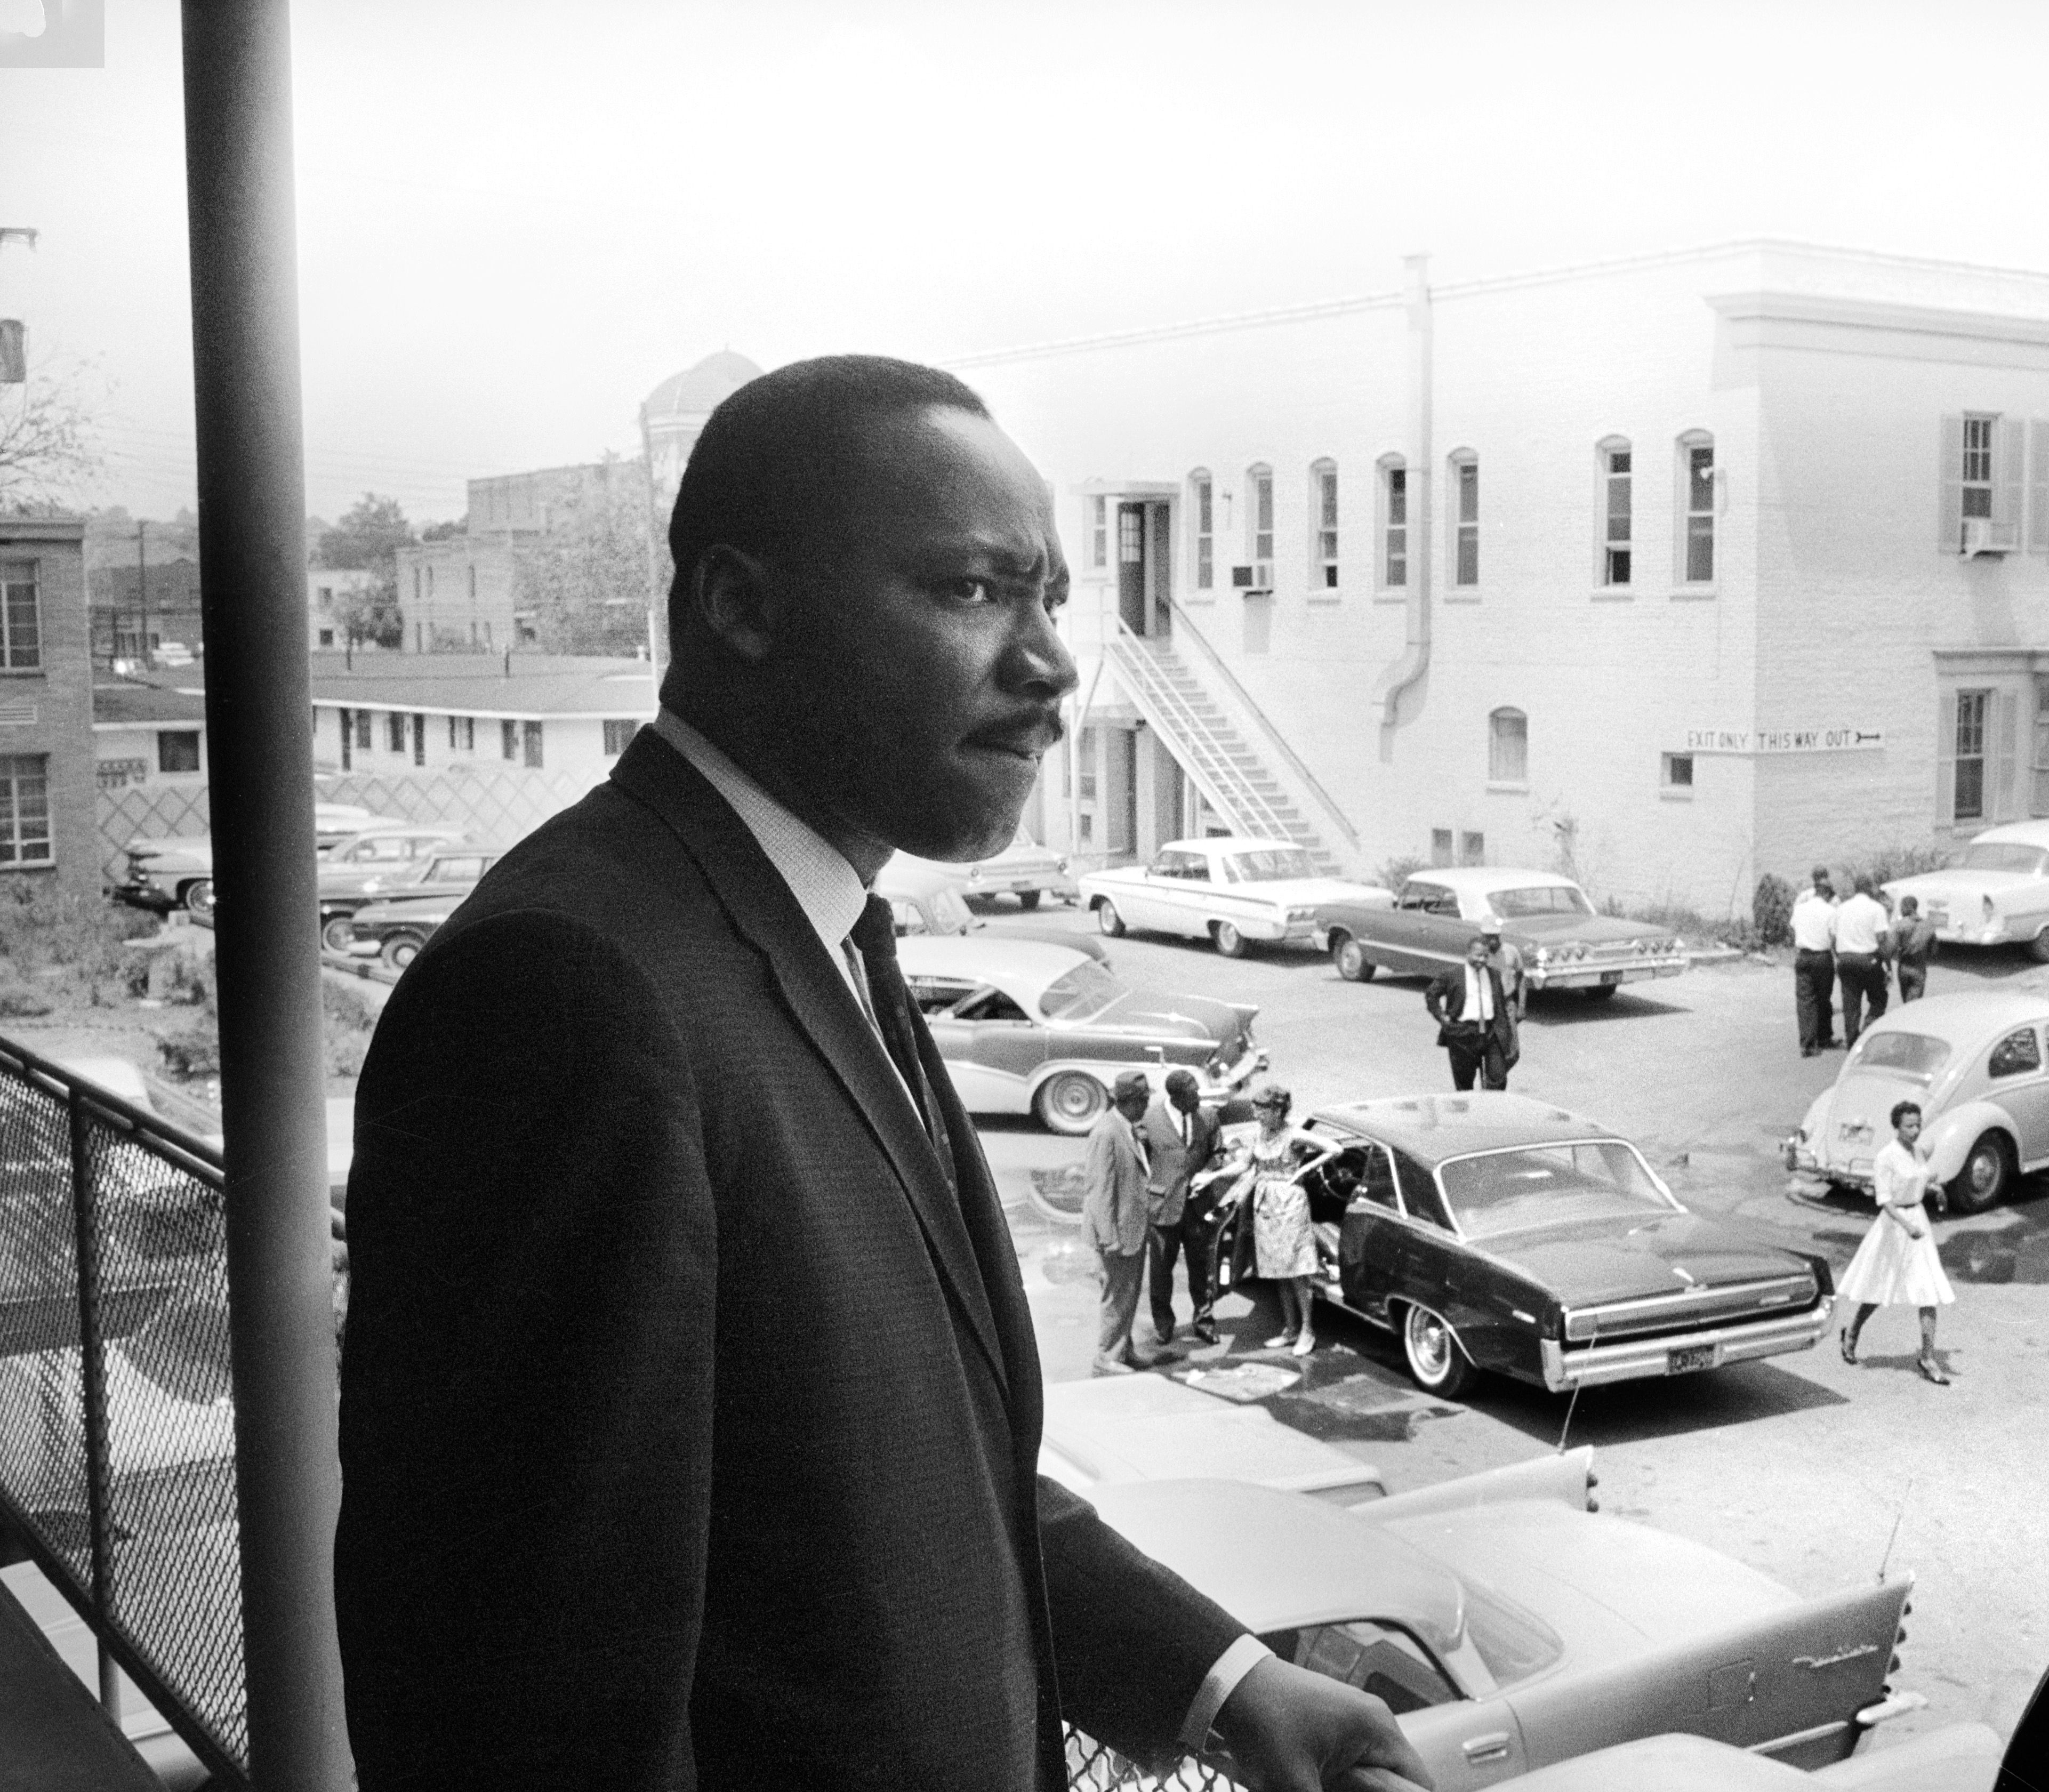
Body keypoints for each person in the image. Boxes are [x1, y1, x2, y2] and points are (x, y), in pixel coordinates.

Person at [335, 357, 1428, 1792]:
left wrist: (1220, 1680)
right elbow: (516, 1701)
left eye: (1051, 599)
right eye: (974, 591)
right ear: (743, 606)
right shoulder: (571, 996)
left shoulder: (819, 924)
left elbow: (896, 1482)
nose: (1048, 665)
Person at [1835, 1101, 1955, 1386]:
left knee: (1928, 1291)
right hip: (1895, 1225)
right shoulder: (1885, 1157)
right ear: (1897, 1127)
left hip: (1918, 1224)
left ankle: (1927, 1357)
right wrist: (1906, 1225)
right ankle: (1852, 1333)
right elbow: (1885, 1201)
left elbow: (1919, 1181)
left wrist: (1935, 1190)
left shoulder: (1917, 1152)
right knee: (1880, 1287)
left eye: (1918, 1124)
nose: (1915, 1131)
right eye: (1909, 1126)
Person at [1241, 1082, 1343, 1356]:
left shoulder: (1294, 1135)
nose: (1256, 1115)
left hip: (1290, 1206)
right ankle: (1290, 1329)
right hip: (1266, 1207)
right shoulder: (1261, 1134)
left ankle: (1308, 1331)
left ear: (1276, 1110)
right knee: (1279, 1271)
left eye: (1261, 1110)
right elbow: (1243, 1166)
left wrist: (1304, 1171)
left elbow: (1335, 1149)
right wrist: (1211, 1177)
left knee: (1298, 1272)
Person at [1143, 1067, 1225, 1345]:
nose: (1199, 1098)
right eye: (1193, 1095)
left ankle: (1204, 1321)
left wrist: (1209, 1172)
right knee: (1161, 1272)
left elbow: (1218, 1153)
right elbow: (1139, 1161)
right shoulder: (1149, 1118)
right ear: (1176, 1097)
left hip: (1198, 1208)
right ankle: (1164, 1325)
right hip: (1163, 1208)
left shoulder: (1209, 1116)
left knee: (1201, 1270)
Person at [1083, 1071, 1156, 1374]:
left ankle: (1123, 1349)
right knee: (1116, 1297)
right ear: (1132, 1101)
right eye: (1145, 1100)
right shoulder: (1107, 1133)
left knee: (1129, 1293)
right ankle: (1106, 1355)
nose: (1148, 1105)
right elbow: (1099, 1191)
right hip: (1116, 1234)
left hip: (1133, 1229)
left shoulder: (1127, 1128)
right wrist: (1109, 1237)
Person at [1426, 921, 1520, 1090]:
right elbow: (1432, 995)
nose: (1482, 960)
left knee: (1498, 1077)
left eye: (1485, 956)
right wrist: (1442, 1017)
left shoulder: (1494, 975)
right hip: (1462, 1034)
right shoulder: (1453, 975)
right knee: (1465, 1083)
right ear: (1468, 954)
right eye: (1478, 956)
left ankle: (1491, 1111)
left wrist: (1507, 1027)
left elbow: (1501, 1003)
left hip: (1491, 1033)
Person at [1833, 877, 1893, 1046]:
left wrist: (1841, 958)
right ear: (1870, 889)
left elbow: (1833, 937)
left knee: (1851, 1003)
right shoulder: (1877, 909)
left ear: (1856, 889)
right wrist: (1888, 967)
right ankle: (1867, 1031)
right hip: (1868, 960)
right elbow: (1881, 940)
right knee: (1879, 998)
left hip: (1846, 959)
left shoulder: (1842, 908)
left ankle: (1852, 1040)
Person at [1790, 867, 1838, 1056]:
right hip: (1822, 957)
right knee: (1824, 998)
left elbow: (1793, 928)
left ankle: (1807, 1044)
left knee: (1805, 1001)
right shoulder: (1830, 911)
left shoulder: (1800, 908)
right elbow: (1834, 937)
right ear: (1825, 893)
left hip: (1803, 956)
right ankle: (1824, 1037)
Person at [1890, 894, 1936, 1003]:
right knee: (1914, 1005)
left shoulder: (1899, 925)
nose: (1901, 909)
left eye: (1902, 907)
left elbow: (1892, 947)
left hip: (1904, 968)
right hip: (1919, 968)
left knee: (1906, 1002)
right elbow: (1934, 949)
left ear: (1908, 907)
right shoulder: (1928, 925)